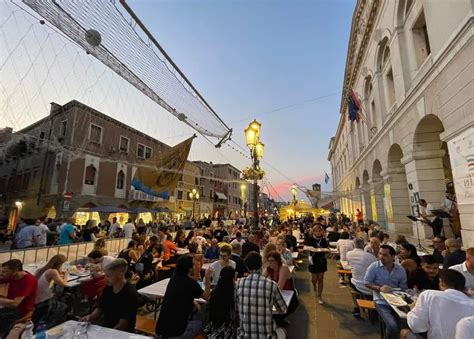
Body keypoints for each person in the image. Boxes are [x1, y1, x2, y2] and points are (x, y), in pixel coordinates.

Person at [403, 270, 474, 339]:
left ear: (441, 283)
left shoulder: (430, 295)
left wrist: (412, 310)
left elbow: (416, 326)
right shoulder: (472, 304)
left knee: (404, 332)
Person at [156, 255, 212, 338]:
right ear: (190, 269)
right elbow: (208, 297)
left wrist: (192, 300)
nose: (197, 266)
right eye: (195, 265)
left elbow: (181, 292)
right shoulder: (191, 284)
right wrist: (207, 279)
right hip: (177, 333)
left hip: (160, 330)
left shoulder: (174, 278)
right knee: (202, 319)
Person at [235, 252, 287, 338]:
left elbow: (236, 307)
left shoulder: (239, 284)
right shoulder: (271, 284)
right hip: (267, 335)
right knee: (282, 331)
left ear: (247, 267)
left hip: (244, 335)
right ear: (261, 265)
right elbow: (283, 309)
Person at [81, 259, 139, 332]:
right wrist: (90, 317)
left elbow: (123, 324)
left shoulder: (130, 293)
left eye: (108, 276)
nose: (105, 279)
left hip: (122, 333)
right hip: (107, 328)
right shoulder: (108, 288)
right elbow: (100, 308)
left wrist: (107, 334)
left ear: (120, 275)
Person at [364, 245, 407, 339]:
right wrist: (379, 288)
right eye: (380, 254)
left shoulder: (400, 269)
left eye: (385, 255)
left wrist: (403, 292)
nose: (381, 257)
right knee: (392, 326)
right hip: (381, 300)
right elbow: (366, 283)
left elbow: (403, 286)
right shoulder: (374, 267)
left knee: (405, 324)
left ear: (393, 256)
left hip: (397, 301)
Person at [0, 260, 38, 337]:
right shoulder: (12, 276)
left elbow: (15, 304)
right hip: (11, 309)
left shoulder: (28, 280)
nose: (2, 274)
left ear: (15, 271)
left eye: (5, 271)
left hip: (21, 311)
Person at [33, 255, 69, 327]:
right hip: (43, 300)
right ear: (60, 264)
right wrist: (66, 275)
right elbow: (63, 284)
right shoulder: (53, 271)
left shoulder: (40, 269)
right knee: (65, 304)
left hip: (35, 299)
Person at [203, 266, 237, 338]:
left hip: (212, 327)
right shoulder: (233, 292)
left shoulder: (215, 291)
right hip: (226, 328)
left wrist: (207, 279)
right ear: (233, 278)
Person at [306, 225, 329, 305]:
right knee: (314, 279)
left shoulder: (323, 240)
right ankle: (314, 286)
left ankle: (319, 295)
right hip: (313, 260)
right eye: (316, 231)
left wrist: (327, 252)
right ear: (313, 231)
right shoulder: (310, 239)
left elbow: (326, 248)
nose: (318, 232)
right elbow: (306, 248)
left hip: (321, 260)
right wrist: (310, 249)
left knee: (321, 279)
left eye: (319, 231)